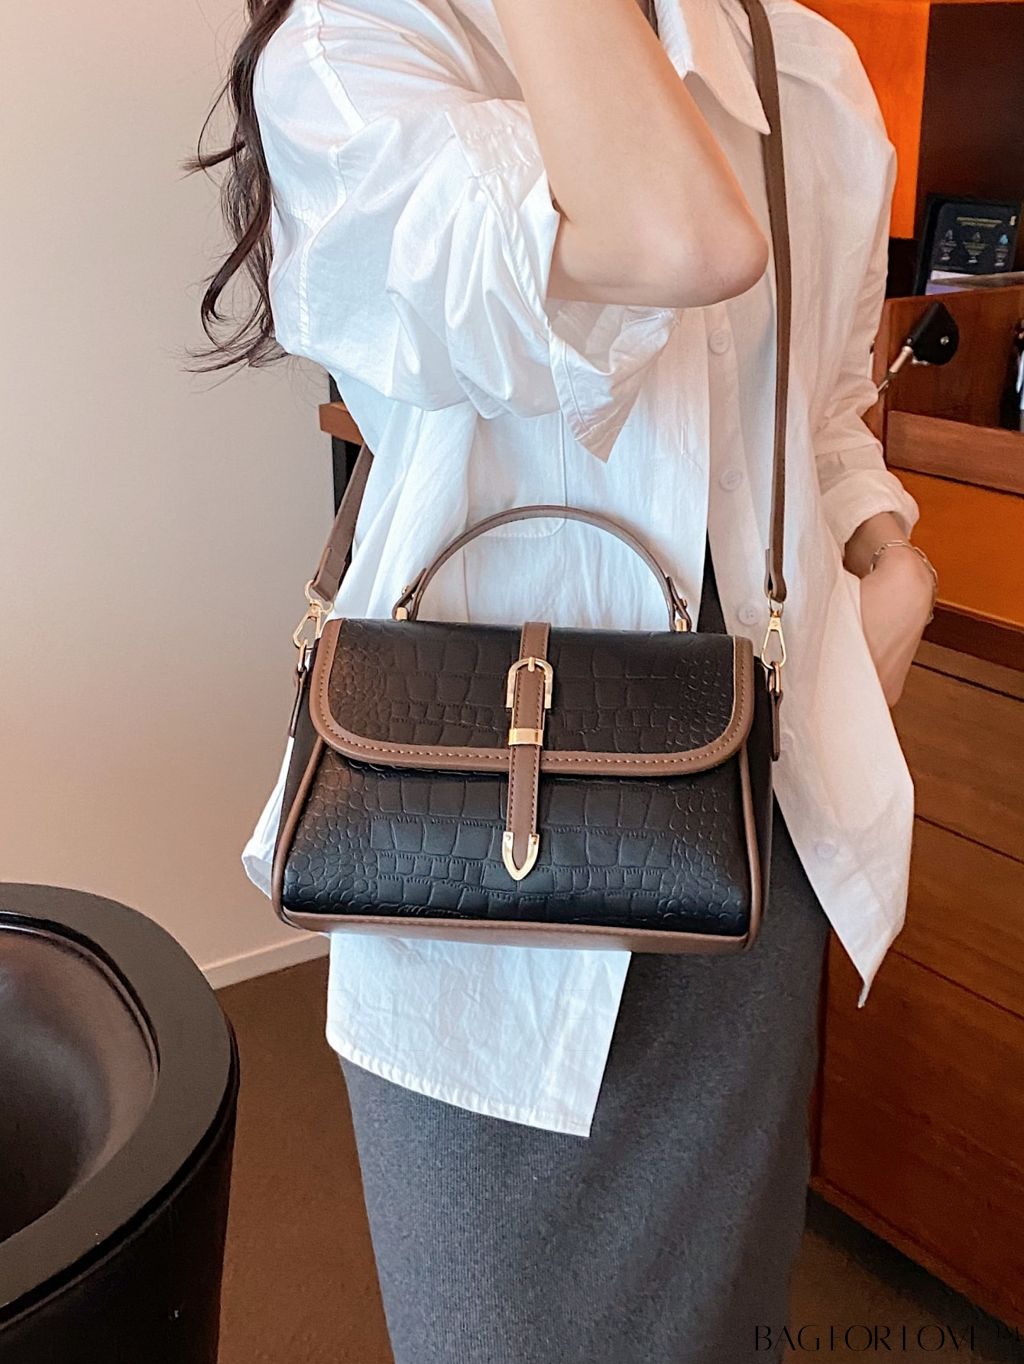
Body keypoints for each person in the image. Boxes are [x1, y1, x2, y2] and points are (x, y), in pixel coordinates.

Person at [188, 0, 937, 1359]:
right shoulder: (358, 54)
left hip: (747, 840)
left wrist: (891, 560)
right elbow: (675, 241)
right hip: (464, 872)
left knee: (728, 1314)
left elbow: (824, 411)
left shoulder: (808, 69)